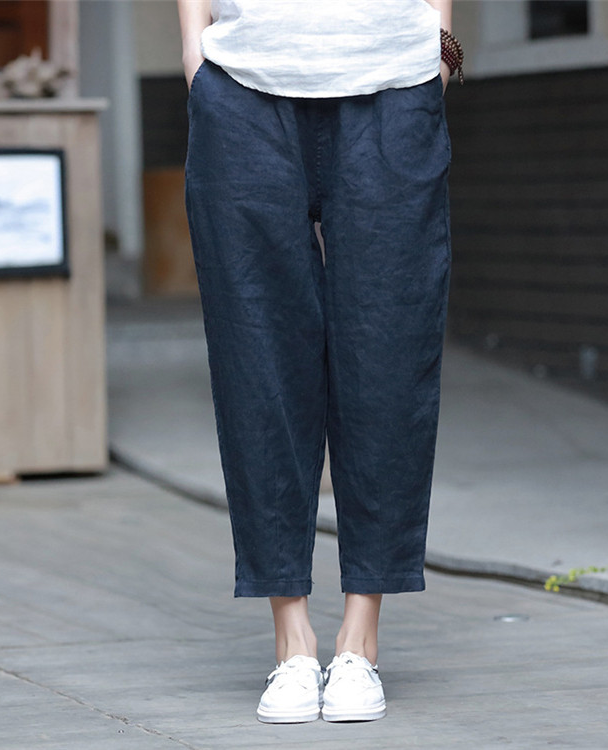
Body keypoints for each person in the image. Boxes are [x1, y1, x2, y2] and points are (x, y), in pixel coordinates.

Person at [177, 0, 462, 724]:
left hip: (393, 83)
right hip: (242, 86)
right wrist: (194, 54)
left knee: (389, 353)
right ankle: (292, 640)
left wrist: (437, 44)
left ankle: (360, 638)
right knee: (257, 355)